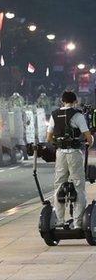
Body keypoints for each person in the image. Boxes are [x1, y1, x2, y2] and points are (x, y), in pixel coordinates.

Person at [46, 90, 94, 229]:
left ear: (62, 101)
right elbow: (88, 137)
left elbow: (49, 138)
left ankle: (60, 221)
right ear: (75, 102)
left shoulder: (54, 115)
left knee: (59, 185)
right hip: (74, 153)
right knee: (78, 185)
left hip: (60, 154)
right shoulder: (77, 115)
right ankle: (78, 223)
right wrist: (89, 143)